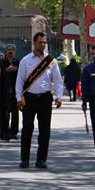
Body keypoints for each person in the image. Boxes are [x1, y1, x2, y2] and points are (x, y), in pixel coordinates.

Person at [16, 32, 63, 169]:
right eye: (40, 42)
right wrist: (19, 98)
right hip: (29, 98)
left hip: (45, 98)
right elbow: (19, 82)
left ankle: (41, 159)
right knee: (27, 129)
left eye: (44, 42)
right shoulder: (25, 60)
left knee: (44, 130)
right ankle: (25, 159)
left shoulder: (51, 61)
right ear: (34, 43)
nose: (43, 45)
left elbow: (58, 81)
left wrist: (59, 96)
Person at [0, 44, 20, 140]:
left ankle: (14, 132)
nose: (10, 51)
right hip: (5, 91)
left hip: (16, 91)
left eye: (12, 50)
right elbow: (0, 74)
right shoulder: (2, 63)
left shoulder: (18, 63)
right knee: (5, 112)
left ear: (14, 52)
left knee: (15, 113)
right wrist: (6, 70)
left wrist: (16, 68)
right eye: (8, 50)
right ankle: (5, 132)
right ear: (5, 52)